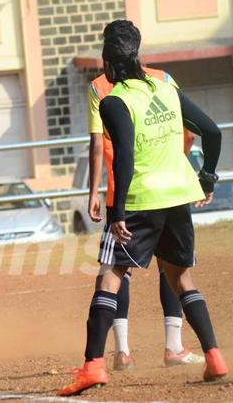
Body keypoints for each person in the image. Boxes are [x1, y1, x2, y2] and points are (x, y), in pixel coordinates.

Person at [58, 20, 228, 396]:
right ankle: (215, 357)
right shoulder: (166, 89)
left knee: (109, 275)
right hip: (177, 199)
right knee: (182, 279)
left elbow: (125, 159)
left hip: (140, 202)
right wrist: (207, 178)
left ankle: (94, 365)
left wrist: (117, 212)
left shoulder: (114, 100)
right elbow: (213, 132)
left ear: (107, 60)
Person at [88, 67, 203, 369]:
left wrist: (93, 193)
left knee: (115, 271)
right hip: (168, 194)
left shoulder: (99, 87)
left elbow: (99, 144)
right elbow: (191, 131)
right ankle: (174, 347)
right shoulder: (164, 80)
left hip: (125, 194)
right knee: (173, 269)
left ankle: (122, 351)